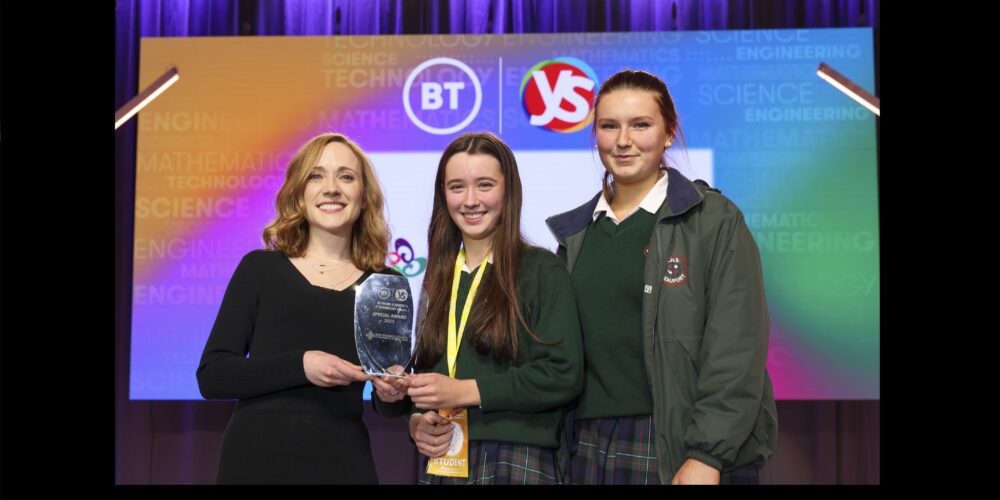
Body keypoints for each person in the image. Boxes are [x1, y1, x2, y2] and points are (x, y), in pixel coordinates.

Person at [545, 70, 778, 485]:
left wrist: (707, 454)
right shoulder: (574, 235)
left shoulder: (714, 220)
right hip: (587, 447)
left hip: (680, 445)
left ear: (669, 133)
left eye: (641, 125)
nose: (623, 140)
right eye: (609, 126)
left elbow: (736, 350)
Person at [375, 132, 584, 484]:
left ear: (508, 190)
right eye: (457, 187)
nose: (470, 200)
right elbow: (429, 370)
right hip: (443, 459)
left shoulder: (539, 269)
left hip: (515, 458)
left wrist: (465, 391)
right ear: (444, 195)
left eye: (484, 185)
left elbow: (563, 374)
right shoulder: (437, 278)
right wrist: (412, 414)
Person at [197, 132, 404, 484]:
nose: (332, 188)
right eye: (316, 175)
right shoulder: (259, 269)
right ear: (299, 193)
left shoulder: (386, 283)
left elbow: (389, 403)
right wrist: (301, 365)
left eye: (346, 176)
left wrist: (392, 392)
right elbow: (213, 375)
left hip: (343, 463)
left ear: (365, 198)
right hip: (255, 463)